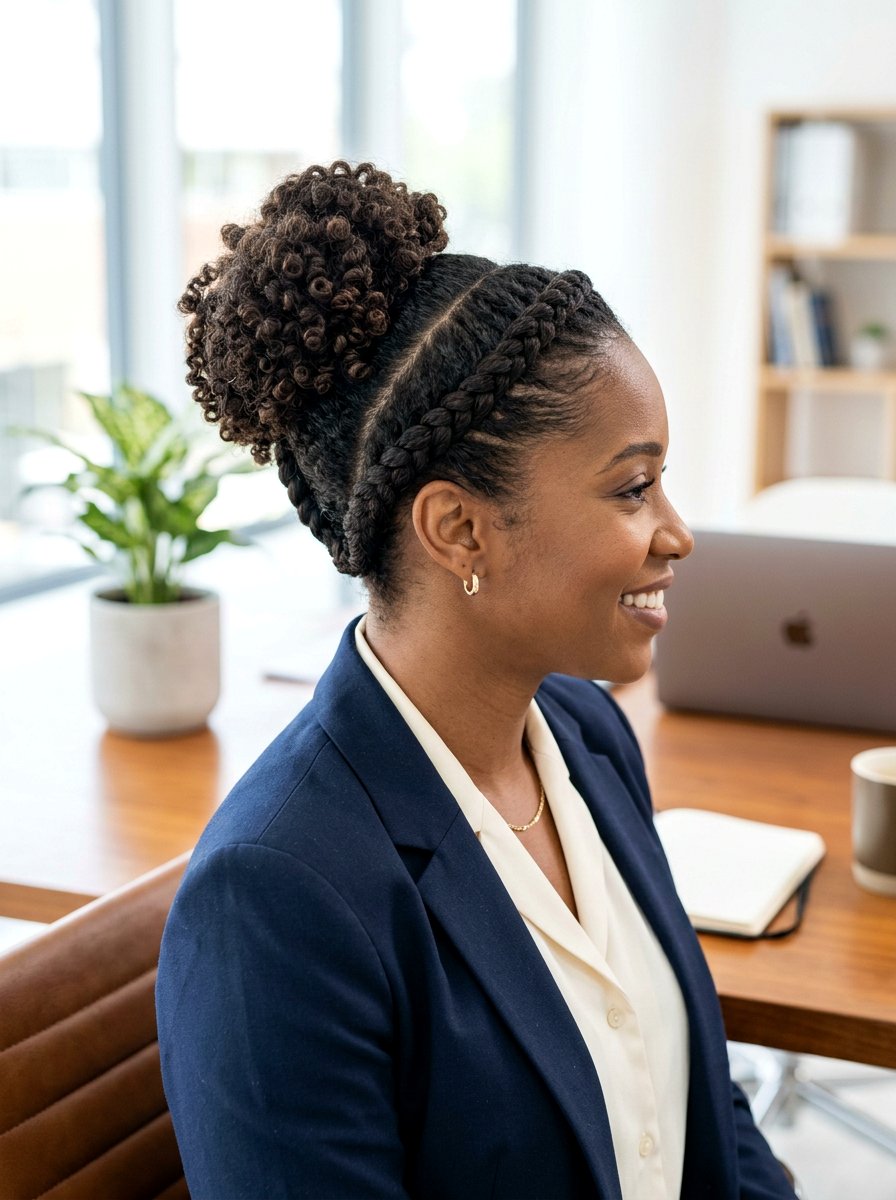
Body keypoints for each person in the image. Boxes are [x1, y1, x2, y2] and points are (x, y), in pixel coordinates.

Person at [156, 159, 796, 1200]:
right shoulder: (274, 899)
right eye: (632, 487)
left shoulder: (587, 738)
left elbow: (692, 1096)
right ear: (458, 529)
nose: (675, 532)